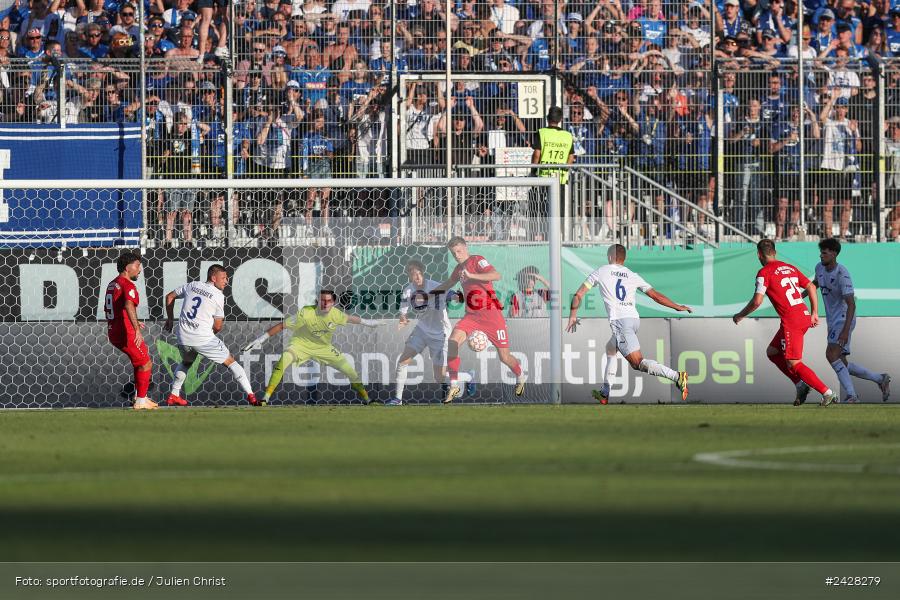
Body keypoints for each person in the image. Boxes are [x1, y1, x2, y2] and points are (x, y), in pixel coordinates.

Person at [566, 244, 691, 404]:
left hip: (620, 322)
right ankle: (605, 392)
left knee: (637, 363)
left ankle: (677, 376)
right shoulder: (632, 275)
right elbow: (655, 296)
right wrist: (677, 306)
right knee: (611, 348)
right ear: (623, 259)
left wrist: (573, 315)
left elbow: (579, 294)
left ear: (610, 257)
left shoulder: (601, 271)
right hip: (633, 320)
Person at [732, 239, 838, 407]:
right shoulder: (789, 267)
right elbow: (810, 286)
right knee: (773, 352)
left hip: (792, 320)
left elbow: (757, 301)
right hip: (802, 315)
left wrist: (740, 315)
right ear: (774, 252)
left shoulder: (764, 272)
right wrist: (814, 312)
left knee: (794, 362)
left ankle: (827, 392)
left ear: (759, 255)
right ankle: (800, 384)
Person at [241, 290, 381, 405]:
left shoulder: (336, 314)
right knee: (284, 359)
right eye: (322, 300)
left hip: (324, 348)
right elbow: (282, 325)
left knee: (350, 371)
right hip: (300, 345)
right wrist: (261, 339)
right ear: (317, 302)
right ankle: (265, 398)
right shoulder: (306, 313)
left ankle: (367, 399)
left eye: (328, 301)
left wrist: (369, 323)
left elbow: (351, 319)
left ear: (333, 303)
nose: (325, 303)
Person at [432, 237, 527, 403]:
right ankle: (454, 385)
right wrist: (428, 293)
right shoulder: (458, 269)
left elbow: (496, 275)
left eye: (459, 251)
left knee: (504, 357)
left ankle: (520, 375)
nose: (457, 255)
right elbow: (447, 284)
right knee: (453, 341)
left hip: (492, 316)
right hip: (472, 316)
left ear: (466, 248)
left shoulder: (477, 260)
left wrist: (471, 274)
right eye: (453, 253)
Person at [805, 238, 891, 403]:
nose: (821, 255)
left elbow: (851, 304)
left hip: (844, 319)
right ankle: (880, 378)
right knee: (841, 362)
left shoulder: (842, 273)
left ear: (834, 254)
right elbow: (816, 282)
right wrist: (800, 295)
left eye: (825, 252)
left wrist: (845, 330)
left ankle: (852, 395)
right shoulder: (819, 267)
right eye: (821, 252)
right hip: (832, 320)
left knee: (831, 354)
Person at [163, 265, 260, 407]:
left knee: (186, 362)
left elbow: (169, 296)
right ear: (213, 278)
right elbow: (218, 326)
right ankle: (251, 396)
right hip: (202, 338)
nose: (226, 281)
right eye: (223, 278)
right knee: (231, 363)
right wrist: (207, 335)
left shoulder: (193, 285)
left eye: (226, 278)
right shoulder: (218, 296)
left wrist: (170, 319)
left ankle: (173, 395)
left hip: (183, 337)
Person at [390, 261, 474, 406]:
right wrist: (403, 319)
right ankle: (397, 399)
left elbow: (453, 295)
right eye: (412, 274)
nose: (415, 276)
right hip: (421, 331)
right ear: (409, 276)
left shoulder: (435, 286)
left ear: (423, 273)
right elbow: (403, 312)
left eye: (417, 273)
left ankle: (468, 376)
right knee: (403, 361)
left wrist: (457, 296)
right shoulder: (408, 291)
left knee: (440, 378)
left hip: (440, 334)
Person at [104, 252, 156, 410]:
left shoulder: (113, 283)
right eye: (137, 266)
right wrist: (135, 329)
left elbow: (118, 307)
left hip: (114, 329)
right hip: (126, 332)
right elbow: (128, 305)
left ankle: (139, 397)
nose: (139, 270)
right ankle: (140, 401)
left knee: (139, 362)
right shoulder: (128, 285)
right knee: (146, 363)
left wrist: (132, 320)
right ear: (127, 267)